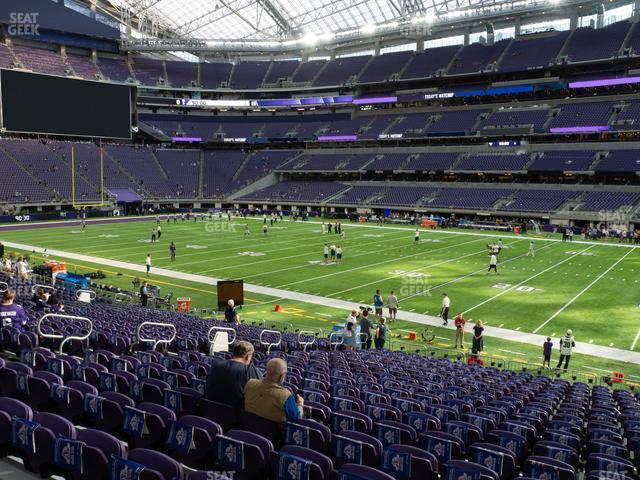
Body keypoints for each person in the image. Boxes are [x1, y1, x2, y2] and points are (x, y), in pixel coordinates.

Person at [244, 358, 303, 424]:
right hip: (271, 433)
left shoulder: (250, 383)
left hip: (247, 428)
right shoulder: (286, 396)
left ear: (266, 371)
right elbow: (296, 419)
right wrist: (300, 404)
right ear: (282, 376)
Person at [205, 340, 262, 408]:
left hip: (209, 409)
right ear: (248, 357)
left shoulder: (216, 364)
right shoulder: (249, 371)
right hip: (234, 415)